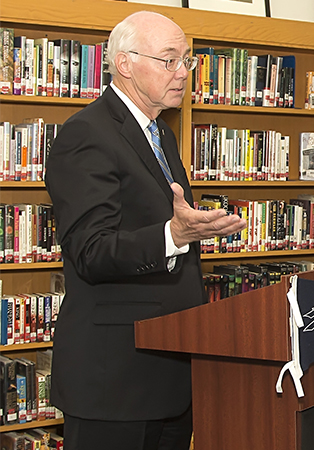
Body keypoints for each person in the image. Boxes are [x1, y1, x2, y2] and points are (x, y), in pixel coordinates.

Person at [44, 11, 246, 450]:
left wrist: (189, 229)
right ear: (125, 64)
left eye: (187, 61)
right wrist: (173, 236)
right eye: (169, 60)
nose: (183, 73)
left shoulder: (161, 135)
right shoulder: (86, 134)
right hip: (115, 380)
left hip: (171, 371)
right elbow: (91, 252)